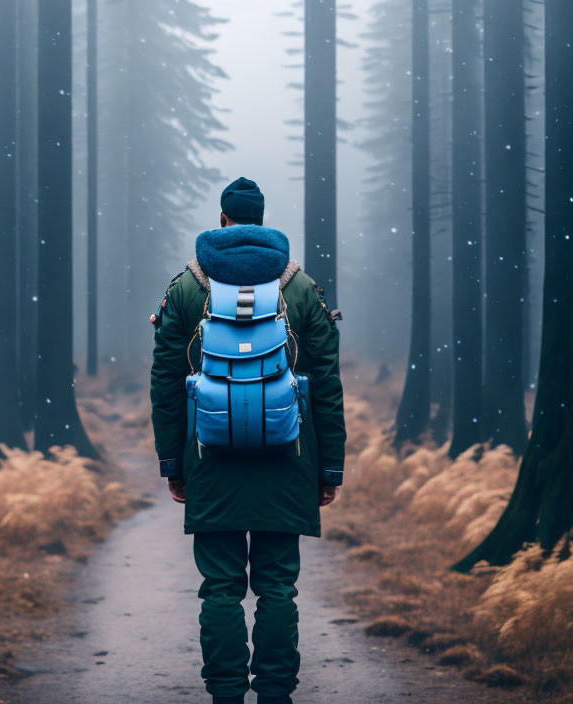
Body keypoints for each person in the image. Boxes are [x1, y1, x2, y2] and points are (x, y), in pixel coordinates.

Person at [150, 177, 346, 704]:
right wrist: (330, 470)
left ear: (222, 221)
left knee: (220, 589)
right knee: (278, 587)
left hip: (211, 459)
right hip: (288, 460)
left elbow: (167, 382)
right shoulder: (300, 287)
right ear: (261, 222)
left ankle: (226, 693)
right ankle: (277, 692)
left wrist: (173, 463)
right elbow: (326, 385)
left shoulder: (188, 287)